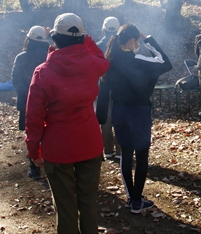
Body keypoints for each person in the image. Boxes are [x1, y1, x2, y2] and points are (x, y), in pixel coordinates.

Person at [25, 13, 110, 234]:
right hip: (89, 142)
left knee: (65, 209)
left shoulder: (43, 72)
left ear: (54, 38)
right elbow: (102, 59)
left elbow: (33, 117)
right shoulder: (92, 64)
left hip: (57, 146)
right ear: (80, 38)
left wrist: (33, 150)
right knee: (88, 205)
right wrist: (85, 38)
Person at [97, 24, 172, 214]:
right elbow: (165, 63)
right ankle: (137, 201)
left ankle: (131, 197)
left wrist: (100, 118)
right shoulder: (139, 59)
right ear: (133, 41)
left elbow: (103, 92)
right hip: (138, 113)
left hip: (119, 113)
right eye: (137, 41)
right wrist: (148, 40)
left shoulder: (109, 62)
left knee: (125, 154)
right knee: (142, 155)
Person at [11, 25, 49, 180]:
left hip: (27, 103)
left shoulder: (21, 57)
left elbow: (16, 80)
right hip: (48, 103)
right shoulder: (49, 56)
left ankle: (34, 167)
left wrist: (28, 96)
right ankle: (50, 162)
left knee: (31, 134)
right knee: (48, 133)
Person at [96, 16, 121, 160]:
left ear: (103, 28)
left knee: (105, 118)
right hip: (119, 86)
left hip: (101, 86)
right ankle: (120, 151)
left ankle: (108, 150)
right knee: (119, 118)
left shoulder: (98, 46)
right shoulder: (122, 46)